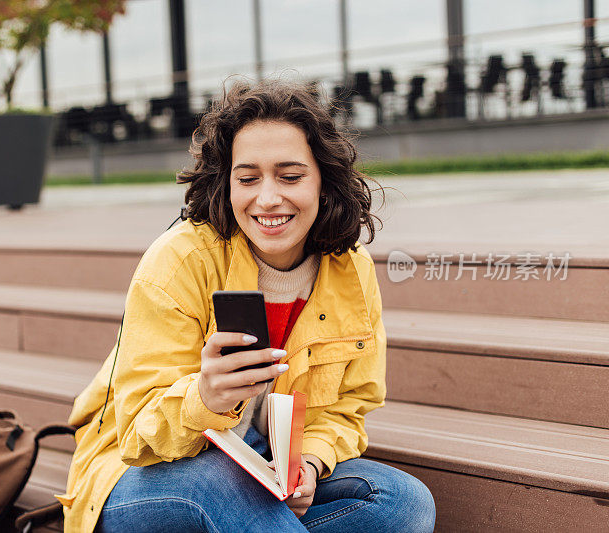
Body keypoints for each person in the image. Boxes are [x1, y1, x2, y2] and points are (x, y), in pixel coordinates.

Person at [57, 78, 436, 532]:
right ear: (227, 182)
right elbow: (137, 436)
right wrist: (205, 398)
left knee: (402, 503)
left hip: (260, 464)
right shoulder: (179, 260)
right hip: (135, 477)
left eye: (291, 176)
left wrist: (309, 465)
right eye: (248, 178)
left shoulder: (350, 269)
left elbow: (349, 406)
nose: (268, 198)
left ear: (323, 180)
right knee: (219, 485)